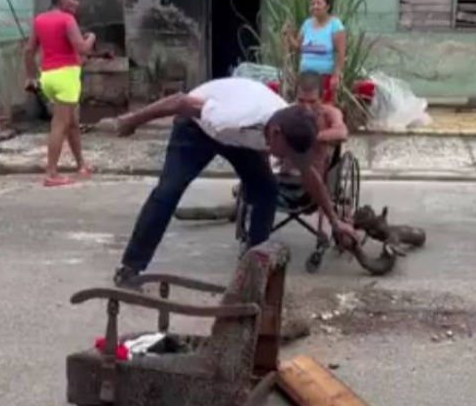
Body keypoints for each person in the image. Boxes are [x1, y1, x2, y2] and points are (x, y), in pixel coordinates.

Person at [107, 77, 358, 288]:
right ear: (275, 135)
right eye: (287, 153)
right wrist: (133, 120)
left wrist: (335, 222)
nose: (287, 160)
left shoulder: (289, 125)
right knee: (168, 191)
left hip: (242, 138)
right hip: (196, 129)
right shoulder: (232, 118)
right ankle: (130, 268)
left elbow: (310, 176)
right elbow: (179, 101)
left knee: (266, 189)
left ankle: (254, 270)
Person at [23, 0, 95, 187]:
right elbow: (82, 49)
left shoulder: (39, 20)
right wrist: (91, 37)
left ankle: (81, 164)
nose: (77, 2)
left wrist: (30, 76)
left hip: (48, 76)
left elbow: (28, 51)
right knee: (60, 125)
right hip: (66, 77)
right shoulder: (67, 20)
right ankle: (51, 173)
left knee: (72, 123)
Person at [283, 0, 347, 104]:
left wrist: (336, 76)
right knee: (305, 112)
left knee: (323, 111)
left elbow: (340, 52)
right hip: (305, 78)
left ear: (327, 6)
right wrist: (288, 34)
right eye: (312, 3)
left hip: (325, 78)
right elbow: (298, 46)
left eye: (318, 3)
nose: (315, 6)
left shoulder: (335, 25)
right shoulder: (307, 24)